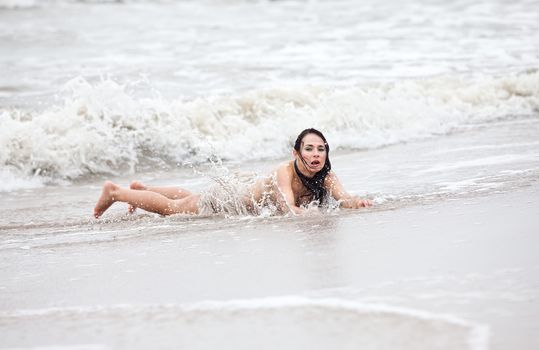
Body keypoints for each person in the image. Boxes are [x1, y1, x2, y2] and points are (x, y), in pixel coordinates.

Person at [93, 128, 372, 218]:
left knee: (190, 197)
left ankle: (141, 190)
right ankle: (115, 192)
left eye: (321, 149)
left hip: (240, 189)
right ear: (295, 153)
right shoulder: (283, 171)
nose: (315, 155)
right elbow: (288, 204)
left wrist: (357, 202)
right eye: (309, 149)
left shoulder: (327, 175)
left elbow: (343, 198)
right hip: (229, 198)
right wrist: (306, 214)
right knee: (174, 209)